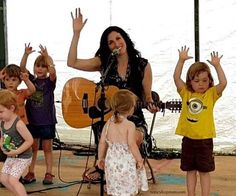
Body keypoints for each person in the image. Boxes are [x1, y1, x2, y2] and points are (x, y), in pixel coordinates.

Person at [67, 8, 159, 180]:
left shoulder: (142, 65)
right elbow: (72, 62)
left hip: (134, 121)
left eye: (118, 38)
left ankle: (122, 172)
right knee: (107, 133)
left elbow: (147, 97)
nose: (116, 43)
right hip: (110, 120)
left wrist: (151, 104)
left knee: (131, 137)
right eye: (110, 42)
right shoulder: (104, 63)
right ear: (107, 47)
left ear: (125, 39)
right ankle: (112, 171)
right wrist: (76, 33)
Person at [173, 46, 227, 196]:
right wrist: (181, 60)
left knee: (204, 172)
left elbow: (223, 83)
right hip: (188, 140)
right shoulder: (186, 93)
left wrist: (217, 65)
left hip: (204, 141)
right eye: (196, 80)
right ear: (190, 82)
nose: (201, 84)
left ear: (210, 81)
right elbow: (176, 78)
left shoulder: (210, 94)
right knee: (190, 171)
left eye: (204, 80)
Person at [98, 89, 148, 195]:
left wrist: (100, 158)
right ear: (130, 108)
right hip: (125, 163)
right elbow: (132, 144)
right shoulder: (130, 125)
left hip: (111, 163)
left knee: (116, 190)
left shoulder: (108, 123)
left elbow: (102, 142)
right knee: (127, 190)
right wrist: (139, 160)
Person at [20, 43, 57, 185]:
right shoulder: (31, 80)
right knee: (33, 148)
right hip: (32, 121)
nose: (40, 68)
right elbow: (22, 68)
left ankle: (49, 173)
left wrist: (47, 57)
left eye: (43, 66)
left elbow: (53, 72)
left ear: (47, 69)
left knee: (47, 148)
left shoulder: (49, 82)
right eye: (38, 66)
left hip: (47, 121)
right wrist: (26, 54)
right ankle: (31, 172)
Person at [0, 89, 33, 196]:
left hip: (23, 157)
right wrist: (2, 144)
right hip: (12, 155)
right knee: (4, 179)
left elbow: (30, 140)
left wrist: (17, 151)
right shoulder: (2, 122)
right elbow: (3, 136)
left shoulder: (18, 124)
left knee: (13, 180)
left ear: (12, 108)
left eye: (1, 112)